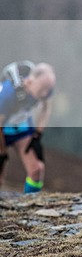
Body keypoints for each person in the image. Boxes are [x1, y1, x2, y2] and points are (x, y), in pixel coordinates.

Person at [0, 62, 56, 193]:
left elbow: (46, 108)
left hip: (21, 129)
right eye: (42, 89)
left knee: (37, 169)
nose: (45, 93)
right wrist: (2, 151)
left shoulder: (44, 91)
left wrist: (37, 134)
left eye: (49, 89)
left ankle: (30, 203)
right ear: (30, 81)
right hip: (2, 130)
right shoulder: (8, 93)